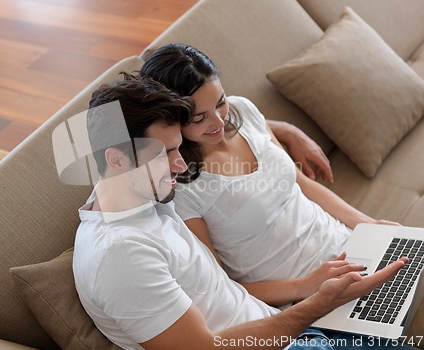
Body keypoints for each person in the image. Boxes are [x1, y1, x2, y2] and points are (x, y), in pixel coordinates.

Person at [72, 74, 412, 350]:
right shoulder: (121, 255)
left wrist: (282, 129)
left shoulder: (133, 193)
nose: (179, 164)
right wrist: (318, 303)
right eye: (165, 154)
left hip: (291, 331)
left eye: (177, 149)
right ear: (116, 160)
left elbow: (220, 123)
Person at [140, 43, 400, 307]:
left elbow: (303, 185)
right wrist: (305, 286)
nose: (219, 122)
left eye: (220, 103)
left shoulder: (243, 111)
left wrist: (368, 225)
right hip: (308, 297)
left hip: (350, 245)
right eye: (199, 118)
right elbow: (222, 287)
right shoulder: (182, 186)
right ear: (172, 118)